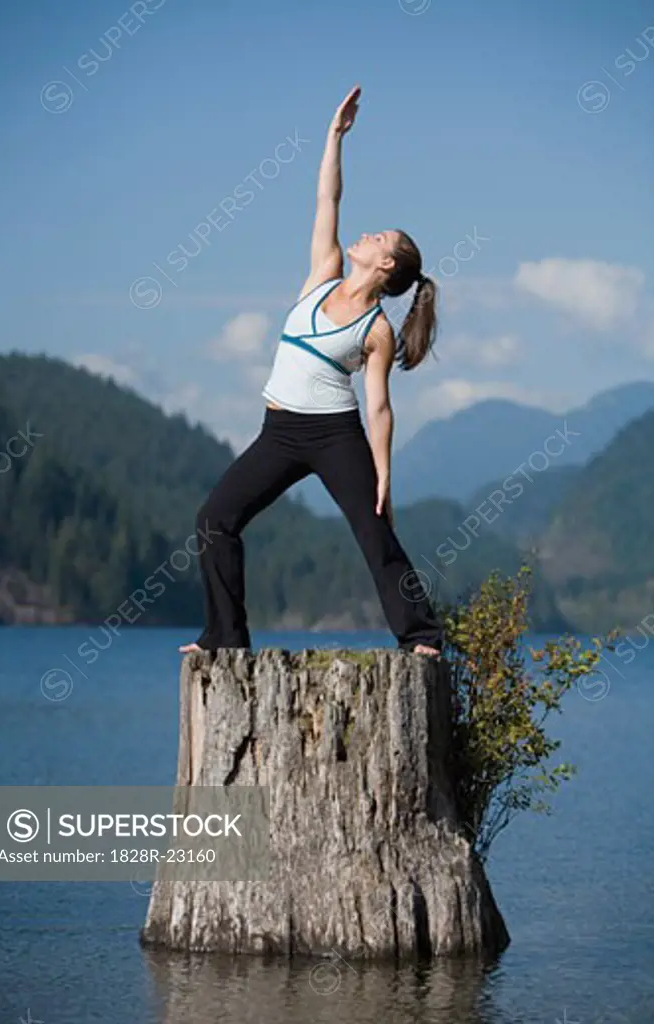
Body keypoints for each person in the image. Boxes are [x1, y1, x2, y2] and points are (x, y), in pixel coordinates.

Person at [180, 84, 444, 658]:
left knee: (373, 531)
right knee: (215, 519)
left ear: (387, 263)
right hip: (278, 431)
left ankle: (421, 635)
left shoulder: (375, 331)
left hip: (333, 434)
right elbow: (328, 200)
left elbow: (378, 407)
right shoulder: (322, 274)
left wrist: (383, 478)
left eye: (380, 238)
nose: (368, 234)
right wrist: (334, 137)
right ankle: (225, 639)